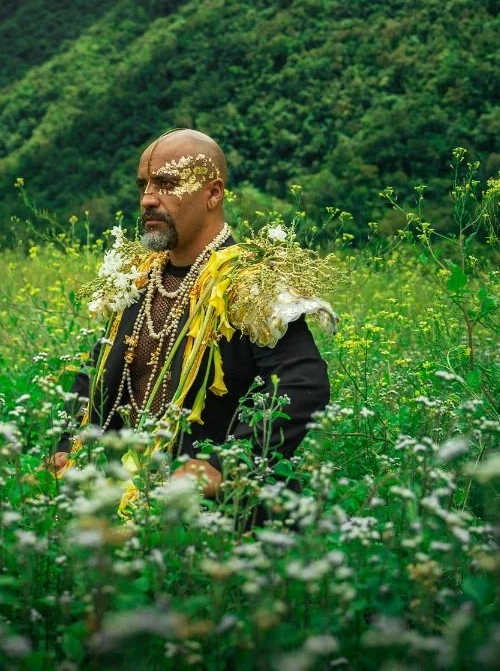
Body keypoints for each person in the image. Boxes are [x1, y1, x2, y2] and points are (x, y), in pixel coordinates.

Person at [47, 129, 331, 518]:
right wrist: (68, 443)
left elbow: (303, 384)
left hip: (209, 517)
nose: (148, 198)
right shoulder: (138, 275)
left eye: (166, 184)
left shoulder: (251, 281)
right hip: (118, 496)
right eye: (144, 185)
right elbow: (98, 367)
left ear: (213, 193)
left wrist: (225, 466)